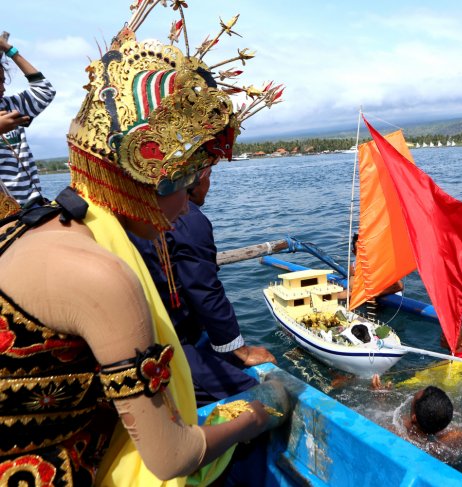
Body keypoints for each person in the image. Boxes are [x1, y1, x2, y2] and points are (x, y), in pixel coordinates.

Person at [0, 5, 289, 486]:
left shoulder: (33, 222)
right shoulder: (102, 274)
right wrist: (260, 415)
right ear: (145, 180)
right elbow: (172, 457)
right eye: (189, 175)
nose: (191, 199)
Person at [129, 166, 277, 406]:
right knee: (264, 399)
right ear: (197, 181)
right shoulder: (188, 219)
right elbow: (204, 291)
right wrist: (241, 350)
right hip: (169, 344)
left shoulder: (130, 215)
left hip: (153, 334)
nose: (186, 207)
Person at [0, 33, 55, 206]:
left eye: (2, 81)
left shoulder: (9, 106)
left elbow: (45, 91)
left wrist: (9, 50)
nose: (2, 88)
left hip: (32, 207)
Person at [395, 315, 462, 391]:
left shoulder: (444, 369)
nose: (443, 333)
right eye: (446, 329)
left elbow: (413, 382)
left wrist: (386, 388)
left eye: (450, 332)